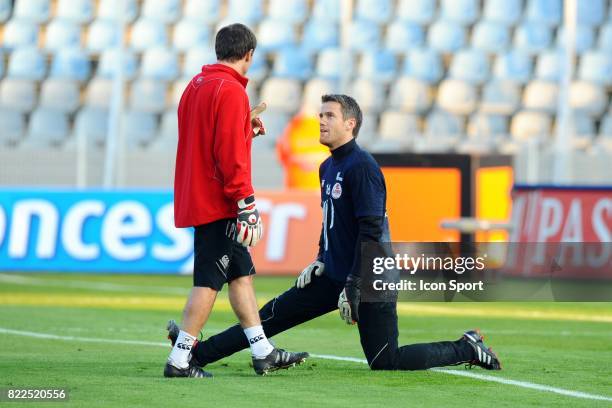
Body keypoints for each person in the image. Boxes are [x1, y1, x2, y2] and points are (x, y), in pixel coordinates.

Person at [168, 94, 501, 372]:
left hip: (371, 278)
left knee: (385, 360)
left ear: (350, 124)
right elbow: (332, 222)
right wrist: (319, 258)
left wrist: (355, 285)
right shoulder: (327, 167)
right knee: (267, 318)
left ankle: (466, 347)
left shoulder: (363, 167)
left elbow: (370, 231)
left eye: (329, 115)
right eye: (320, 115)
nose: (321, 121)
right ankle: (194, 355)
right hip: (332, 275)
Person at [166, 23, 308, 378]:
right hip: (220, 203)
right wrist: (246, 204)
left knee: (241, 275)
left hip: (200, 194)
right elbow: (230, 156)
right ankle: (180, 359)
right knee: (208, 282)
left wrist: (245, 126)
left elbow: (206, 139)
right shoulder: (230, 91)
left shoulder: (195, 86)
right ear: (249, 55)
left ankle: (263, 352)